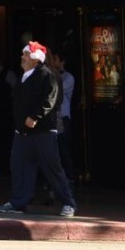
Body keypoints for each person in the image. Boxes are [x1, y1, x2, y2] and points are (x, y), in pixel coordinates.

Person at [0, 42, 76, 218]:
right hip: (22, 132)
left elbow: (51, 99)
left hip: (43, 132)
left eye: (25, 54)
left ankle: (68, 202)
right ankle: (18, 202)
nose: (22, 57)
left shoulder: (47, 75)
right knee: (20, 167)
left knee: (52, 167)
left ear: (35, 58)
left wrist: (35, 116)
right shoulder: (23, 77)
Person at [49, 49, 76, 188]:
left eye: (55, 59)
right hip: (52, 116)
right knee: (52, 148)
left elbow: (55, 89)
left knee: (63, 147)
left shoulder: (68, 77)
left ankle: (69, 177)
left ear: (62, 62)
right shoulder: (52, 75)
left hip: (61, 116)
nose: (53, 61)